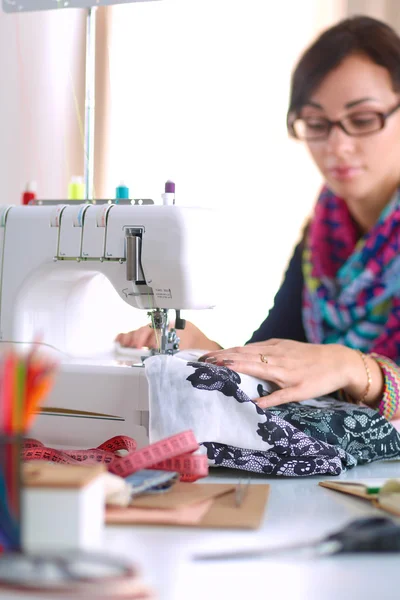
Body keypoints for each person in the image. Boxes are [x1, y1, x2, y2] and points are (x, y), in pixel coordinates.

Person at [116, 15, 400, 422]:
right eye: (317, 124)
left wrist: (356, 367)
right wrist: (208, 351)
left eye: (363, 119)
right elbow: (281, 356)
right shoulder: (324, 239)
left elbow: (326, 366)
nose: (338, 146)